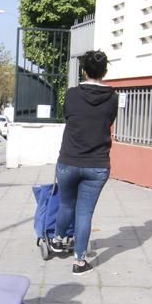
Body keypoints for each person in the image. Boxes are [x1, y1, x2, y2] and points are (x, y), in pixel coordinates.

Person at [50, 50, 118, 275]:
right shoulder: (113, 98)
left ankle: (58, 240)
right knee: (84, 213)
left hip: (69, 160)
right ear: (105, 71)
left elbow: (68, 116)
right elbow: (109, 120)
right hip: (97, 164)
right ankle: (79, 261)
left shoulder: (71, 94)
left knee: (67, 204)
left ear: (83, 70)